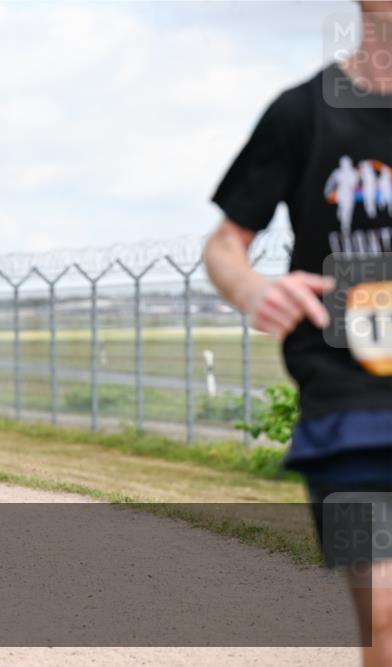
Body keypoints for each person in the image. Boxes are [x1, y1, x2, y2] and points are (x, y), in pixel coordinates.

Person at [203, 4, 391, 663]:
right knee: (387, 611)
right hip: (346, 403)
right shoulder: (301, 113)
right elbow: (226, 244)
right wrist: (255, 288)